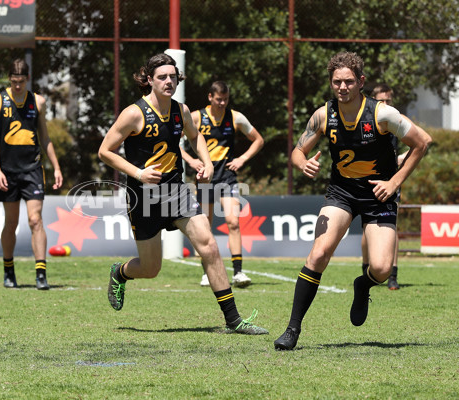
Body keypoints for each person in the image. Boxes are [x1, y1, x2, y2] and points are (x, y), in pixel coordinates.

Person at [98, 53, 268, 335]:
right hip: (144, 197)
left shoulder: (182, 110)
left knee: (209, 246)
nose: (168, 81)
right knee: (151, 268)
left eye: (173, 77)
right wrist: (139, 174)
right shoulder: (133, 113)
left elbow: (195, 135)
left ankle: (234, 320)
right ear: (149, 80)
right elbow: (105, 151)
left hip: (176, 190)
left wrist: (208, 161)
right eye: (162, 77)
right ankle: (121, 272)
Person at [273, 52, 431, 350]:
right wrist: (302, 163)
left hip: (378, 196)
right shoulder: (324, 114)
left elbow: (423, 142)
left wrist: (394, 181)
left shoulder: (382, 114)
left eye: (348, 81)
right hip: (341, 193)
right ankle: (292, 330)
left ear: (360, 82)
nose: (342, 87)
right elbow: (297, 150)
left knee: (382, 269)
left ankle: (363, 284)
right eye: (336, 82)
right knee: (318, 253)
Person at [0, 58, 63, 290]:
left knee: (35, 220)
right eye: (13, 81)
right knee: (11, 223)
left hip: (32, 169)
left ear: (27, 79)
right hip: (7, 171)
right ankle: (8, 270)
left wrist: (57, 167)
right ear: (9, 79)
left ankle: (41, 273)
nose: (17, 85)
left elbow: (45, 138)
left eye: (21, 81)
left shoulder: (38, 102)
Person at [181, 81, 264, 288]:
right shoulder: (197, 117)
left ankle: (238, 272)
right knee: (205, 227)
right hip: (205, 178)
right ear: (210, 97)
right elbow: (174, 141)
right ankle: (206, 272)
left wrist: (242, 159)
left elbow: (258, 140)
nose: (222, 103)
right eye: (218, 99)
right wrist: (190, 160)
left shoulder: (235, 117)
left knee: (233, 221)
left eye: (225, 99)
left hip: (227, 177)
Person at [361, 83, 409, 290]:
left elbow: (423, 142)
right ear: (373, 100)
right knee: (366, 228)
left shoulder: (395, 120)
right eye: (383, 100)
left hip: (389, 182)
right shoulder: (365, 120)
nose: (387, 104)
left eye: (389, 100)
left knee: (391, 226)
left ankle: (392, 275)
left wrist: (400, 159)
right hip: (365, 181)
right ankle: (365, 270)